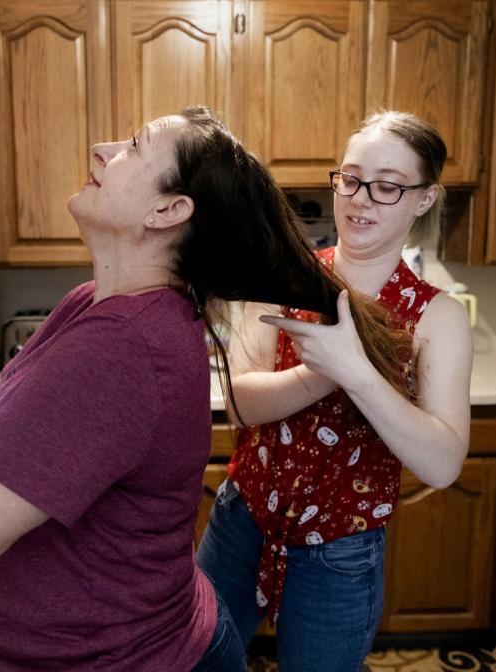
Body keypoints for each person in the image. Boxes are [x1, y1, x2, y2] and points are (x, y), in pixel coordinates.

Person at [0, 107, 406, 671]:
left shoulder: (124, 349)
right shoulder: (91, 302)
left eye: (133, 146)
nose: (101, 149)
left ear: (168, 211)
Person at [195, 111, 474, 672]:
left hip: (341, 551)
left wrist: (358, 372)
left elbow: (442, 464)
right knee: (192, 661)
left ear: (423, 199)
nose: (361, 199)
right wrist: (320, 372)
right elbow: (241, 403)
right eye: (349, 178)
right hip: (242, 517)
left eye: (387, 186)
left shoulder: (436, 318)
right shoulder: (283, 274)